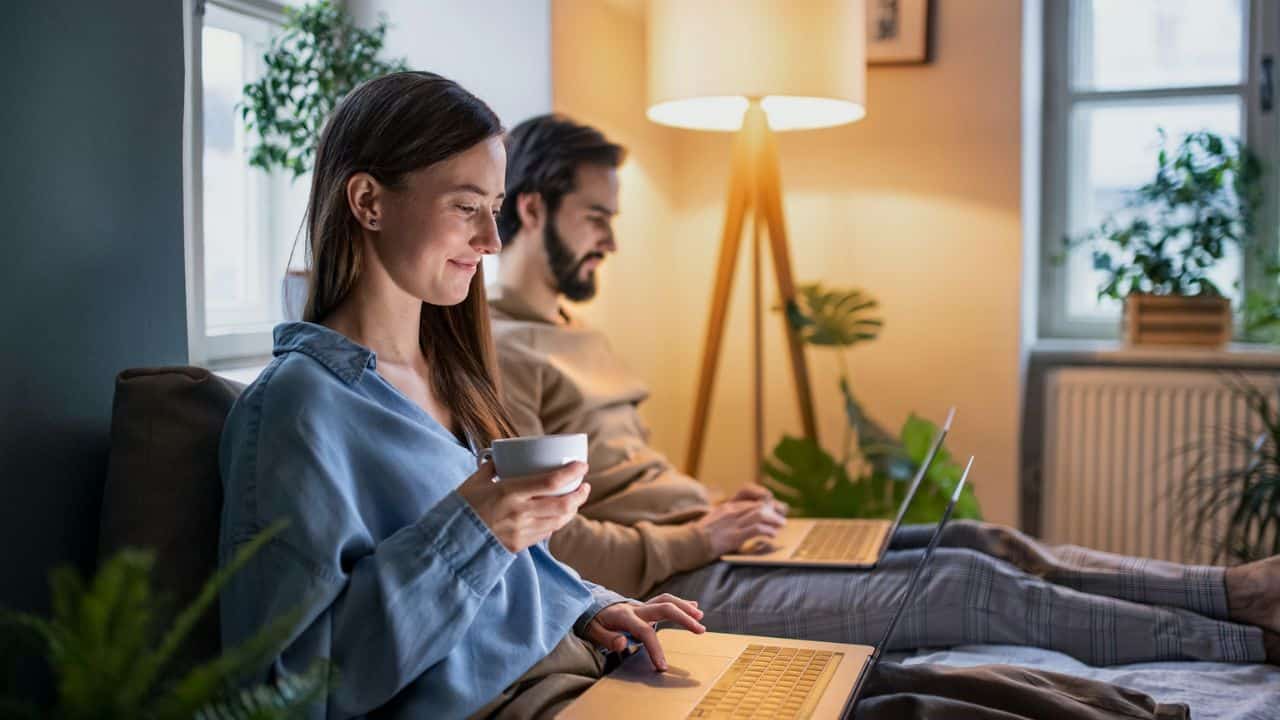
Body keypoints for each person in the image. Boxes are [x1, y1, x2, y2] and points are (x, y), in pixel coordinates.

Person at [489, 113, 1280, 667]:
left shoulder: (569, 326)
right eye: (596, 217)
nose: (612, 240)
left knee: (978, 541)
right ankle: (1251, 644)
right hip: (673, 587)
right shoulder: (501, 352)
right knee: (968, 587)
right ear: (532, 207)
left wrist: (713, 505)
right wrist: (698, 538)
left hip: (705, 544)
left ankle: (1232, 589)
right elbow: (551, 545)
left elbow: (627, 478)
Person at [217, 73, 706, 720]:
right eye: (465, 206)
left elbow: (500, 581)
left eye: (494, 208)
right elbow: (290, 692)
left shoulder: (452, 376)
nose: (492, 241)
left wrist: (590, 605)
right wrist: (476, 527)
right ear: (368, 201)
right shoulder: (297, 411)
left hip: (587, 675)